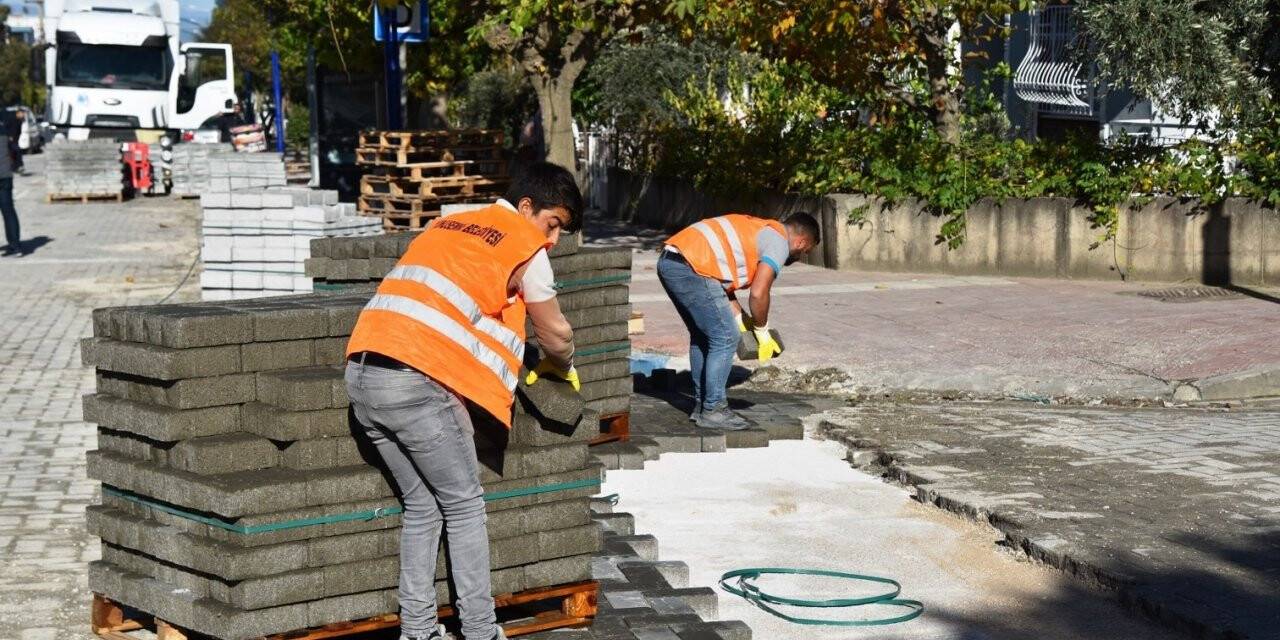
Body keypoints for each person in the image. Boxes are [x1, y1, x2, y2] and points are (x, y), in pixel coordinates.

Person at [343, 161, 581, 640]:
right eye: (552, 225)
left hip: (362, 374)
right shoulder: (523, 243)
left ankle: (418, 631)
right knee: (465, 504)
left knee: (422, 505)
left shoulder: (448, 224)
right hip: (415, 382)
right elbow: (554, 330)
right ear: (528, 207)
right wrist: (563, 362)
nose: (553, 239)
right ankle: (479, 630)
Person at [659, 212, 821, 430]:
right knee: (726, 337)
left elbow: (722, 288)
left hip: (672, 261)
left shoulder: (759, 229)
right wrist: (761, 329)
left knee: (703, 335)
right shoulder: (779, 242)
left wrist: (741, 318)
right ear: (801, 241)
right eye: (805, 251)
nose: (800, 256)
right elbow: (759, 292)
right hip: (693, 268)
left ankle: (703, 406)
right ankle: (714, 409)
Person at [1, 110, 24, 257]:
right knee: (8, 211)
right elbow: (14, 148)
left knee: (9, 211)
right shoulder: (4, 129)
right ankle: (15, 246)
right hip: (5, 175)